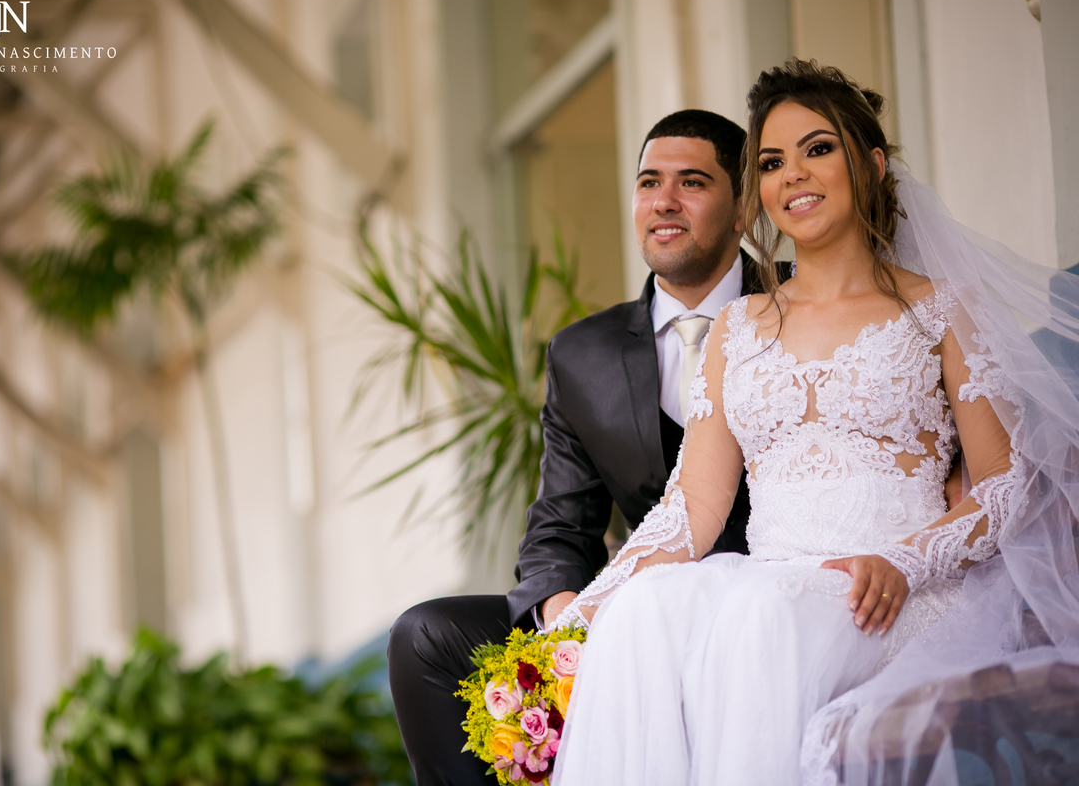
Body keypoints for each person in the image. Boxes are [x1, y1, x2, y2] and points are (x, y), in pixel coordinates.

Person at [551, 59, 1079, 786]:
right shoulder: (736, 328)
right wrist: (583, 612)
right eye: (772, 162)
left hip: (888, 595)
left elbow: (1005, 482)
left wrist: (906, 561)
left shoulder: (941, 309)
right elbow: (691, 508)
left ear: (872, 165)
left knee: (763, 619)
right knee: (645, 612)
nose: (793, 174)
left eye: (818, 148)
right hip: (769, 580)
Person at [387, 109, 790, 786]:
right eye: (648, 183)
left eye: (692, 182)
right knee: (425, 636)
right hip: (635, 605)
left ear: (744, 205)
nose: (663, 201)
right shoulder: (584, 354)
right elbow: (561, 523)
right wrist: (565, 618)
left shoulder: (801, 305)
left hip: (768, 597)